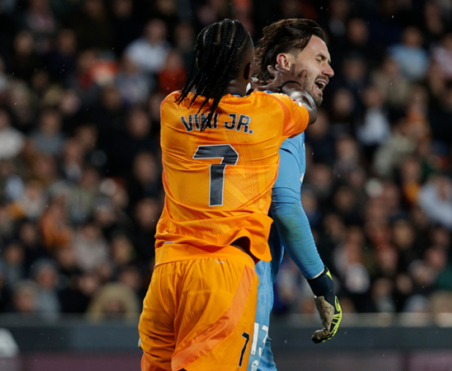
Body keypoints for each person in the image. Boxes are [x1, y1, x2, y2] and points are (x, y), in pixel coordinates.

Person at [138, 19, 316, 371]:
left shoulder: (171, 110)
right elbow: (306, 106)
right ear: (249, 69)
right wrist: (288, 85)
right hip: (222, 274)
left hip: (168, 270)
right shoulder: (268, 113)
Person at [249, 19, 342, 371]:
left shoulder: (233, 110)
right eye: (319, 59)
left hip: (187, 271)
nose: (330, 71)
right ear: (285, 63)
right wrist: (322, 283)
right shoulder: (281, 112)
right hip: (244, 278)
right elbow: (285, 206)